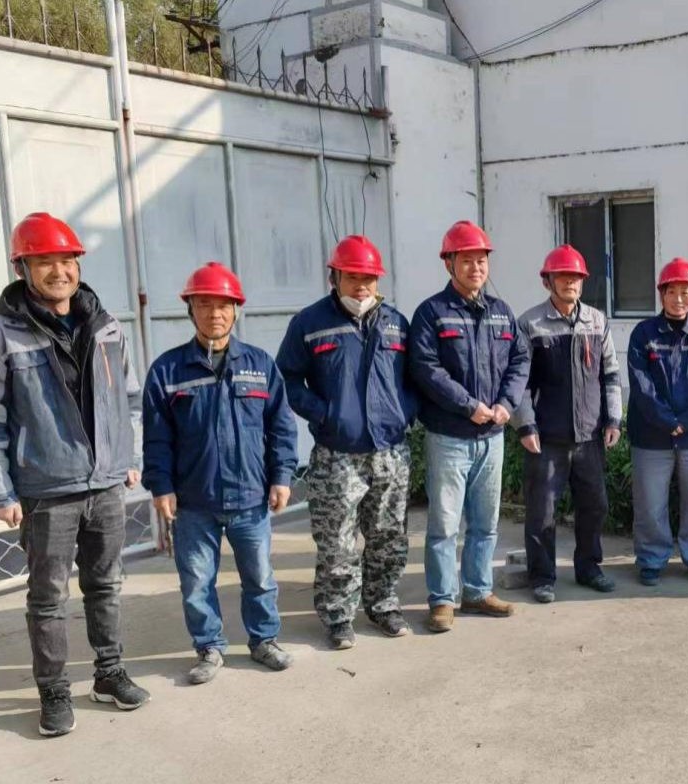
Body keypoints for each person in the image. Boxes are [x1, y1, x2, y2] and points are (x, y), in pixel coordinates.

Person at [0, 213, 149, 737]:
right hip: (46, 490)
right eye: (44, 261)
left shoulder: (107, 325)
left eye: (66, 260)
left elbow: (130, 399)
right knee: (48, 598)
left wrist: (128, 456)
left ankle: (109, 673)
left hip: (106, 483)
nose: (58, 271)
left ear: (78, 264)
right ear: (22, 268)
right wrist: (0, 492)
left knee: (106, 585)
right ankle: (53, 692)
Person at [142, 263, 298, 683]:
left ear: (236, 310)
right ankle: (209, 647)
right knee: (197, 583)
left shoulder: (260, 365)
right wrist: (161, 486)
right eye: (205, 305)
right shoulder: (168, 371)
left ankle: (264, 640)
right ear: (190, 309)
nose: (215, 314)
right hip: (194, 501)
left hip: (250, 497)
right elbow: (157, 437)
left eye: (224, 305)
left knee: (260, 578)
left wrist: (282, 476)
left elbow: (281, 426)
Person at [277, 236, 418, 650]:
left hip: (390, 451)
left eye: (369, 278)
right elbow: (286, 378)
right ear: (334, 277)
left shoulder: (396, 323)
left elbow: (415, 378)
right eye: (352, 277)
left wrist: (403, 412)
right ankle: (339, 616)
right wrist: (323, 413)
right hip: (337, 454)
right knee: (337, 542)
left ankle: (383, 604)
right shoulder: (309, 324)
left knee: (389, 536)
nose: (361, 286)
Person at [409, 220, 531, 633]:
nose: (476, 267)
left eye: (481, 260)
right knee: (444, 525)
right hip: (449, 437)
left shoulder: (501, 312)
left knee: (485, 522)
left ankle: (477, 591)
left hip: (491, 437)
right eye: (466, 260)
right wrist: (469, 406)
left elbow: (520, 361)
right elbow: (426, 368)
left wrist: (505, 404)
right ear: (449, 264)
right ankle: (442, 600)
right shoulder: (432, 313)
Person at [513, 245, 622, 603]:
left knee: (595, 505)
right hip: (546, 439)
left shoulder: (597, 321)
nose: (570, 282)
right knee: (542, 512)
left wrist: (614, 419)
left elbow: (610, 374)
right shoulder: (530, 324)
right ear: (548, 281)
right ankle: (542, 576)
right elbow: (519, 382)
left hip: (589, 437)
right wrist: (526, 425)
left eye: (576, 277)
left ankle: (589, 568)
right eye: (562, 276)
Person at [626, 258, 688, 586]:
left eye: (686, 292)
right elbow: (641, 384)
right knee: (650, 502)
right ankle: (651, 559)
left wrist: (687, 421)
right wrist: (668, 420)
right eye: (672, 292)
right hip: (651, 435)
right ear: (662, 294)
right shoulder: (644, 335)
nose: (679, 299)